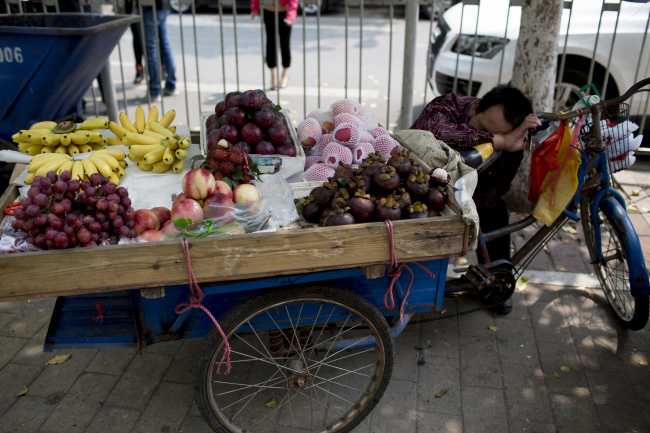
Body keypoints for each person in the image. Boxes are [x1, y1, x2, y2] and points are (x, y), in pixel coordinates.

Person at [411, 84, 541, 314]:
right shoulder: (448, 104)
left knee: (498, 211)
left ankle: (497, 283)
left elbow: (497, 187)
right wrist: (499, 141)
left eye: (500, 135)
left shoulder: (515, 143)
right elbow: (434, 132)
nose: (488, 141)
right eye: (483, 128)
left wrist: (464, 215)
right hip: (415, 181)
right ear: (476, 108)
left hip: (464, 195)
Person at [251, 0, 299, 90]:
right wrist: (254, 7)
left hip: (284, 10)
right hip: (268, 10)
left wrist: (291, 13)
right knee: (271, 43)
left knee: (285, 44)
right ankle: (273, 75)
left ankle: (285, 74)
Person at [137, 0, 178, 102]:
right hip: (162, 6)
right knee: (164, 45)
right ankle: (171, 84)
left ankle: (154, 91)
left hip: (149, 7)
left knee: (152, 49)